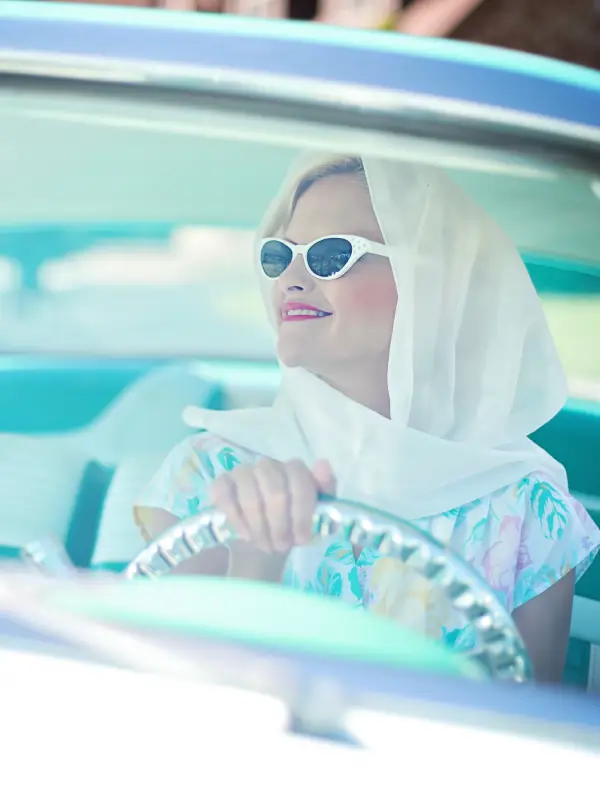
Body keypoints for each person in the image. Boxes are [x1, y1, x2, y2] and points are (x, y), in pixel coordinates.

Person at [134, 152, 600, 683]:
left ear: (432, 284)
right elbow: (176, 708)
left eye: (330, 255)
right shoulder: (205, 476)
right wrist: (256, 565)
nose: (290, 277)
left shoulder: (529, 512)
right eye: (278, 254)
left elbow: (528, 724)